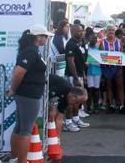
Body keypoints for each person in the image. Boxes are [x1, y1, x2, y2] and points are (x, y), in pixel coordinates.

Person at [8, 24, 53, 163]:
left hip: (27, 94)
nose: (46, 39)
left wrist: (15, 90)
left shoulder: (33, 51)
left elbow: (18, 72)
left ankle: (15, 158)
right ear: (37, 37)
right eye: (45, 36)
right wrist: (13, 89)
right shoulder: (31, 52)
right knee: (25, 130)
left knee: (20, 128)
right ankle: (21, 160)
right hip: (29, 95)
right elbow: (18, 72)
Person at [63, 24, 90, 131]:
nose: (82, 32)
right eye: (79, 31)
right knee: (71, 99)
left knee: (78, 99)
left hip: (79, 75)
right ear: (73, 31)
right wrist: (76, 77)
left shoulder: (81, 43)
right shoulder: (70, 44)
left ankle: (76, 118)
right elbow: (71, 62)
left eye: (82, 31)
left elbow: (82, 61)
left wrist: (82, 75)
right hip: (72, 76)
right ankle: (68, 122)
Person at [99, 25, 125, 114]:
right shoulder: (102, 43)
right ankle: (111, 105)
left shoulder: (119, 42)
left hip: (117, 67)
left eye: (113, 30)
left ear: (115, 31)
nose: (111, 32)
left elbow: (122, 55)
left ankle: (122, 106)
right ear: (106, 31)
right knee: (109, 87)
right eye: (109, 30)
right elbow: (101, 56)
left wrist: (120, 69)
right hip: (107, 68)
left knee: (120, 87)